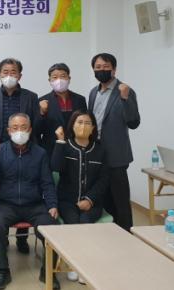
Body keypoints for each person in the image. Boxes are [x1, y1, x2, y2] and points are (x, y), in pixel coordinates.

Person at [0, 113, 59, 290]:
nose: (20, 131)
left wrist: (52, 205)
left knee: (52, 227)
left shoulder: (40, 153)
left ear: (30, 129)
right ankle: (3, 271)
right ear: (8, 131)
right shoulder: (0, 151)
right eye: (15, 127)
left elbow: (47, 183)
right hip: (7, 205)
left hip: (34, 205)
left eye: (24, 127)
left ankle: (48, 271)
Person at [0, 58, 41, 254]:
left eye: (13, 72)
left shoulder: (31, 97)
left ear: (20, 75)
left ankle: (22, 239)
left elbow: (35, 125)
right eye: (5, 72)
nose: (9, 75)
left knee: (22, 186)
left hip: (23, 149)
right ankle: (2, 236)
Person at [51, 110, 109, 284]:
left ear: (93, 128)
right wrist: (60, 141)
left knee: (85, 222)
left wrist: (90, 199)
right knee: (74, 223)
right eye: (79, 122)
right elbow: (55, 167)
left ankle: (84, 265)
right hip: (67, 201)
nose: (83, 126)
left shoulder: (100, 150)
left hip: (93, 202)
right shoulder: (65, 145)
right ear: (72, 125)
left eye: (87, 123)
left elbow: (104, 179)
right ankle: (72, 265)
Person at [88, 53, 140, 232]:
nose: (101, 70)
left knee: (120, 200)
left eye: (106, 67)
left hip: (116, 155)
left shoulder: (125, 90)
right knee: (103, 198)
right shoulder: (93, 92)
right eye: (98, 67)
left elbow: (134, 122)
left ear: (114, 69)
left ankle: (126, 234)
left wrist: (125, 99)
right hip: (96, 153)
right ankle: (109, 234)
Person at [35, 63, 87, 156]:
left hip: (75, 147)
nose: (59, 80)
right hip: (51, 149)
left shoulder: (80, 99)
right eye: (55, 77)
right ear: (49, 80)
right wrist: (42, 113)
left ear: (69, 79)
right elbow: (37, 130)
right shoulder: (42, 100)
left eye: (63, 76)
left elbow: (84, 124)